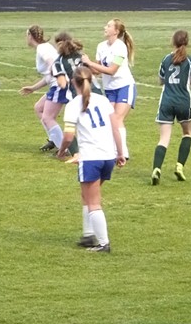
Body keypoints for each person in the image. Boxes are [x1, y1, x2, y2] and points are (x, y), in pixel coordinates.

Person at [56, 65, 125, 253]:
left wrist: (61, 151)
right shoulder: (103, 100)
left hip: (91, 158)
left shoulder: (73, 105)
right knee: (87, 195)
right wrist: (120, 153)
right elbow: (115, 128)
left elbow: (68, 136)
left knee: (93, 202)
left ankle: (103, 243)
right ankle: (88, 235)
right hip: (108, 156)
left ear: (73, 82)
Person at [152, 29, 191, 185]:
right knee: (187, 133)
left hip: (166, 101)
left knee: (164, 138)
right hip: (183, 102)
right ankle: (180, 166)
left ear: (173, 42)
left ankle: (156, 168)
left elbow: (160, 80)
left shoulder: (166, 59)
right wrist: (190, 81)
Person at [82, 18, 136, 160]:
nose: (105, 27)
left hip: (124, 86)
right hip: (110, 89)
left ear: (116, 31)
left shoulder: (120, 47)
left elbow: (112, 70)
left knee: (117, 118)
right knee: (110, 119)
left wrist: (89, 63)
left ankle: (123, 153)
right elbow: (98, 70)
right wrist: (84, 66)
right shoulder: (101, 46)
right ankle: (113, 150)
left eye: (108, 26)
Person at [18, 25, 62, 152]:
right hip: (56, 84)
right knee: (39, 108)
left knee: (48, 118)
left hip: (59, 85)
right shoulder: (44, 47)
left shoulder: (42, 48)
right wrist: (33, 88)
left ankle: (64, 148)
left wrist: (59, 79)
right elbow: (49, 75)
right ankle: (54, 140)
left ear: (30, 36)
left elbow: (52, 64)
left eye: (26, 35)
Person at [50, 30, 86, 162]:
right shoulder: (81, 55)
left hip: (77, 95)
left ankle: (76, 153)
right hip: (95, 92)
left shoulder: (58, 62)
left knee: (71, 124)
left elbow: (63, 84)